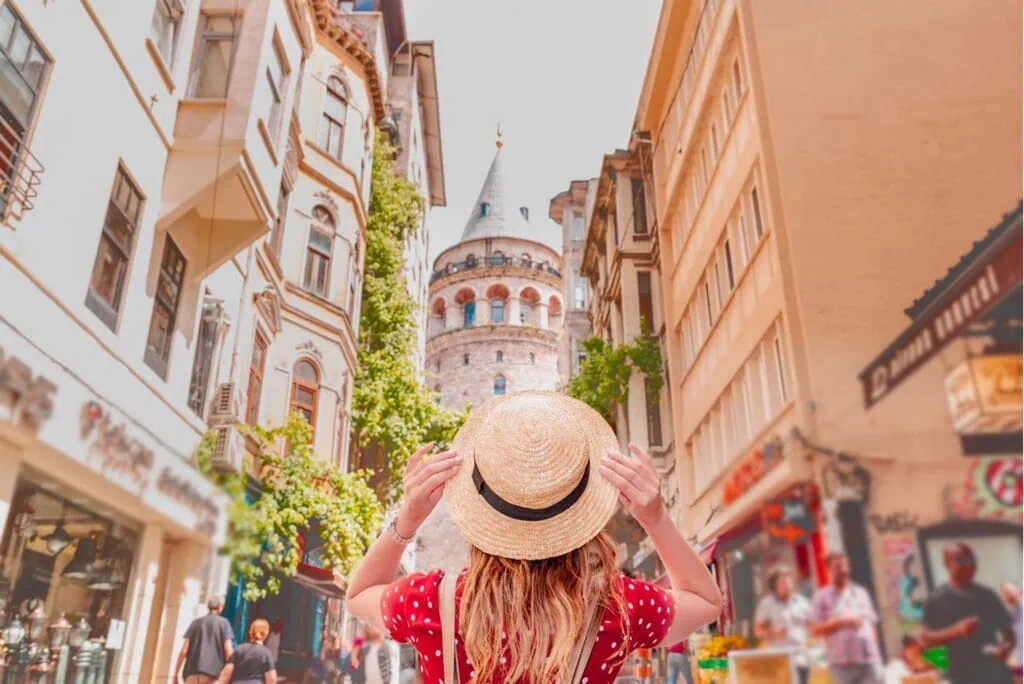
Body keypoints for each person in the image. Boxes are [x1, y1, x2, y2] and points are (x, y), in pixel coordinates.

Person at [345, 391, 722, 683]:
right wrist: (655, 519)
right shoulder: (617, 609)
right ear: (581, 513)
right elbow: (706, 602)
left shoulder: (429, 603)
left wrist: (407, 520)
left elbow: (358, 594)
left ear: (481, 508)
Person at [920, 542, 1016, 684]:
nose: (969, 565)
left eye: (972, 560)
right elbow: (925, 640)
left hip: (997, 675)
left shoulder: (987, 596)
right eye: (962, 560)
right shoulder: (938, 600)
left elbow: (1009, 633)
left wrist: (1005, 648)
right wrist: (956, 631)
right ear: (946, 564)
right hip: (963, 676)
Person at [810, 552, 883, 684]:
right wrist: (840, 621)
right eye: (838, 567)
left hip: (869, 660)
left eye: (845, 566)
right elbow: (815, 630)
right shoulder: (821, 597)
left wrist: (874, 649)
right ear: (829, 570)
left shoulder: (861, 593)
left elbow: (872, 624)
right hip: (842, 664)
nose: (843, 570)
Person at [755, 566, 812, 684]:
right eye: (782, 582)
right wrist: (774, 632)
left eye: (789, 581)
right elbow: (758, 630)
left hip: (800, 659)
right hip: (778, 660)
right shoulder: (767, 604)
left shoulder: (803, 602)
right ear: (775, 585)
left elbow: (813, 626)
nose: (787, 585)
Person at [176, 596, 235, 684]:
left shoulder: (195, 623)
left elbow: (184, 651)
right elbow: (229, 652)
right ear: (220, 607)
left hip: (191, 674)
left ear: (208, 607)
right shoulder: (224, 624)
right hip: (213, 675)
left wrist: (176, 673)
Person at [218, 618, 277, 684]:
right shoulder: (266, 653)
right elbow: (271, 679)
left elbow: (226, 674)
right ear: (266, 634)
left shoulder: (239, 649)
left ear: (250, 631)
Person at [1001, 582, 1023, 681]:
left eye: (1011, 593)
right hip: (1013, 660)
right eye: (1006, 594)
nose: (1010, 596)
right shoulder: (1003, 614)